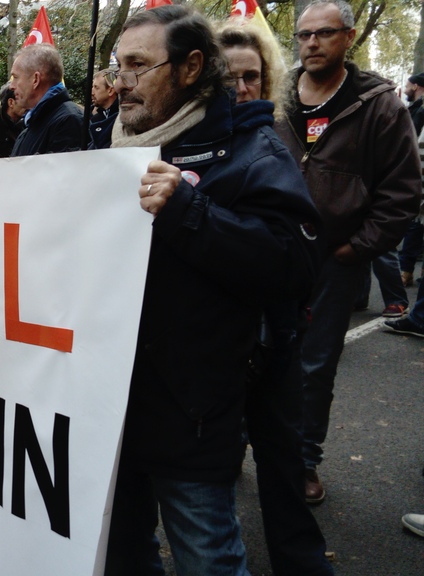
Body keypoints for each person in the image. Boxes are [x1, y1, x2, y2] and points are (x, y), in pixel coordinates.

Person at [98, 7, 320, 574]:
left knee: (207, 558)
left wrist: (190, 211)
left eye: (139, 66)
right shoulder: (107, 147)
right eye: (118, 66)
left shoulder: (253, 152)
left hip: (189, 413)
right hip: (110, 407)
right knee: (120, 554)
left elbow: (291, 266)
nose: (122, 81)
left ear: (191, 67)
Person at [274, 0, 421, 504]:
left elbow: (402, 192)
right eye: (304, 35)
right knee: (255, 351)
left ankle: (304, 460)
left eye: (324, 34)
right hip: (271, 254)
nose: (311, 43)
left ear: (349, 37)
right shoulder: (278, 96)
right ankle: (242, 445)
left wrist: (355, 249)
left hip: (333, 263)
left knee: (314, 368)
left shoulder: (379, 104)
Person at [219, 21, 335, 576]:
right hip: (218, 342)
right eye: (228, 76)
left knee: (282, 462)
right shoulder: (189, 143)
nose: (240, 87)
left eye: (251, 76)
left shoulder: (276, 143)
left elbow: (293, 255)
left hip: (277, 335)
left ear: (266, 82)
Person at [7, 43, 86, 156]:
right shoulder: (36, 120)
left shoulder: (67, 121)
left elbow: (61, 172)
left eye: (15, 77)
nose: (11, 86)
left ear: (35, 80)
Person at [397, 73, 424, 287]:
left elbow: (412, 143)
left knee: (415, 224)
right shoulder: (415, 109)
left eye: (407, 84)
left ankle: (406, 271)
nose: (405, 88)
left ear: (416, 86)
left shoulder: (419, 111)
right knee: (414, 224)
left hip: (418, 173)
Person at [88, 68, 118, 149]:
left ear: (110, 91)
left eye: (96, 88)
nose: (92, 93)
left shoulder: (120, 119)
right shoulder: (96, 116)